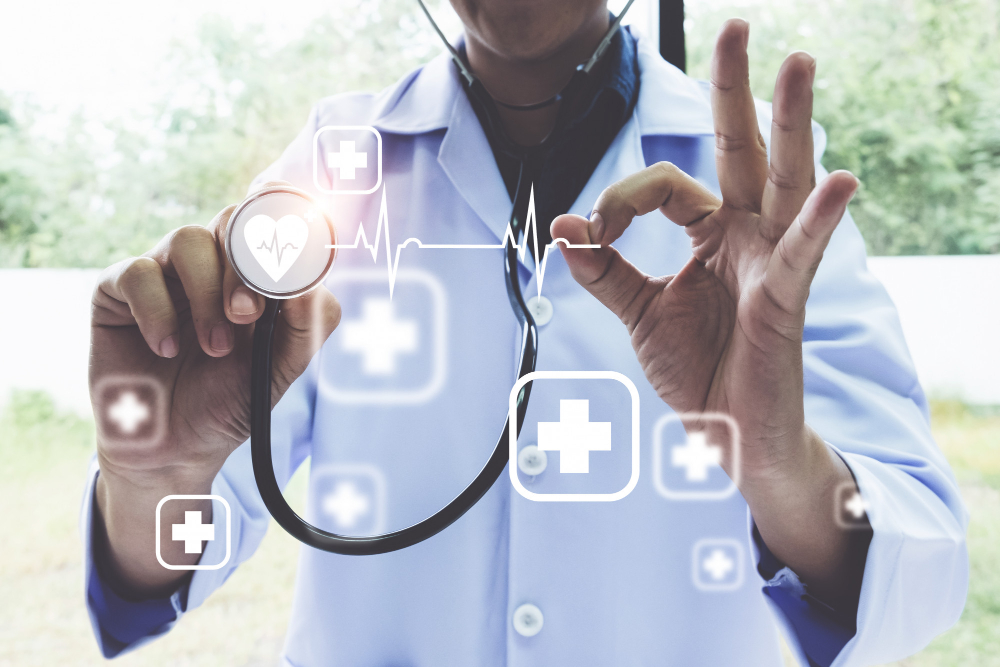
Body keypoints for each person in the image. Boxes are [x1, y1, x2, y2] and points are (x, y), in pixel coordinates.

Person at [83, 1, 968, 665]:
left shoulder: (767, 200)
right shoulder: (334, 172)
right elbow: (161, 568)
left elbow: (916, 569)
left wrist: (781, 464)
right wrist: (153, 482)